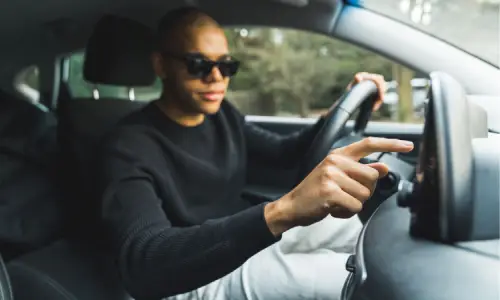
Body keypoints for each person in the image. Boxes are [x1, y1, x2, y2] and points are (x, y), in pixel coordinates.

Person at [95, 7, 414, 300]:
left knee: (375, 230)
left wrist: (339, 107)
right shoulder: (127, 146)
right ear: (161, 65)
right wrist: (281, 211)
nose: (216, 77)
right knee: (358, 282)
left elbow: (283, 153)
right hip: (192, 276)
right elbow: (145, 264)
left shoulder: (220, 116)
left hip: (244, 239)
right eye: (198, 65)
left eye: (225, 65)